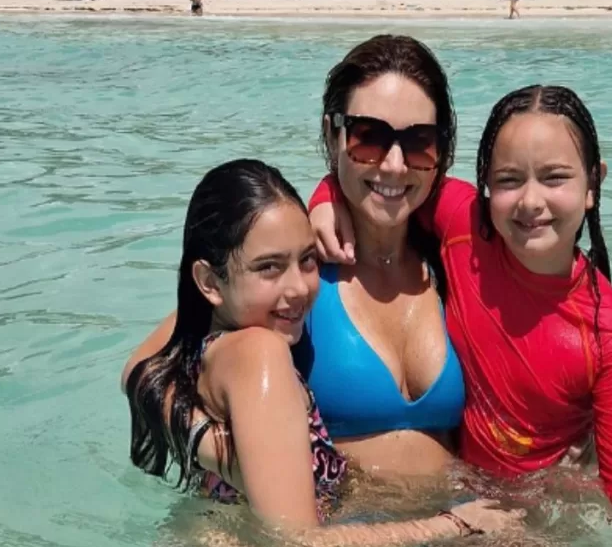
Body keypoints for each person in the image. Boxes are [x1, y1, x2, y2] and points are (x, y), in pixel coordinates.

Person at [309, 85, 612, 547]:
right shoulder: (463, 224)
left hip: (531, 516)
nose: (530, 201)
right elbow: (386, 182)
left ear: (593, 184)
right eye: (509, 180)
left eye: (554, 178)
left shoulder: (608, 338)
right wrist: (325, 197)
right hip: (455, 502)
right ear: (484, 184)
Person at [122, 159, 523, 547]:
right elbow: (296, 544)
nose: (299, 287)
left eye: (307, 259)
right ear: (209, 282)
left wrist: (205, 442)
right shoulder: (260, 352)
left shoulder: (211, 345)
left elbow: (138, 372)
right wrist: (452, 525)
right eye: (269, 267)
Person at [131, 35, 466, 481]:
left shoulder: (453, 261)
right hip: (326, 524)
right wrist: (223, 454)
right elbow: (144, 371)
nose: (393, 165)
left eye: (419, 141)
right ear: (331, 135)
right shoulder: (294, 270)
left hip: (458, 517)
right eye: (369, 137)